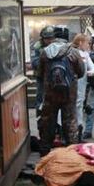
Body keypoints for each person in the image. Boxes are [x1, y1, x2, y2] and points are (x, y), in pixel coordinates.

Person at [36, 27, 85, 155]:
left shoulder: (45, 52)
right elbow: (81, 72)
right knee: (69, 121)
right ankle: (71, 153)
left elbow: (40, 74)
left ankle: (45, 151)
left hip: (50, 93)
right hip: (69, 93)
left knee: (48, 120)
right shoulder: (74, 52)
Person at [71, 34, 94, 143]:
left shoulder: (86, 54)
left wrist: (92, 71)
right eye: (87, 43)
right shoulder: (72, 53)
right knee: (69, 110)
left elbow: (93, 66)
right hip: (71, 88)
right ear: (81, 42)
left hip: (81, 89)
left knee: (79, 109)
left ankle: (79, 134)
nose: (88, 45)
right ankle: (67, 134)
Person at [31, 25, 57, 122]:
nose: (49, 41)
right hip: (41, 77)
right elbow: (34, 62)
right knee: (40, 96)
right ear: (43, 38)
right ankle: (40, 117)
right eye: (47, 38)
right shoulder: (37, 46)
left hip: (54, 77)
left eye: (51, 38)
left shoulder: (57, 46)